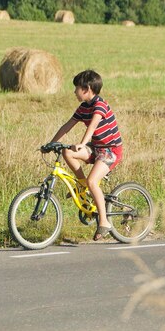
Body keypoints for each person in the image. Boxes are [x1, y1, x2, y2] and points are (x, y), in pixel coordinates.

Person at [47, 70, 123, 241]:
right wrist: (51, 143)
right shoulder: (83, 108)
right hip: (95, 147)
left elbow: (93, 126)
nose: (74, 92)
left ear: (86, 89)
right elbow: (67, 126)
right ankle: (82, 184)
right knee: (67, 152)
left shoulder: (99, 106)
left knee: (93, 181)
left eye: (76, 88)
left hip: (111, 150)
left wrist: (82, 143)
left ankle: (104, 222)